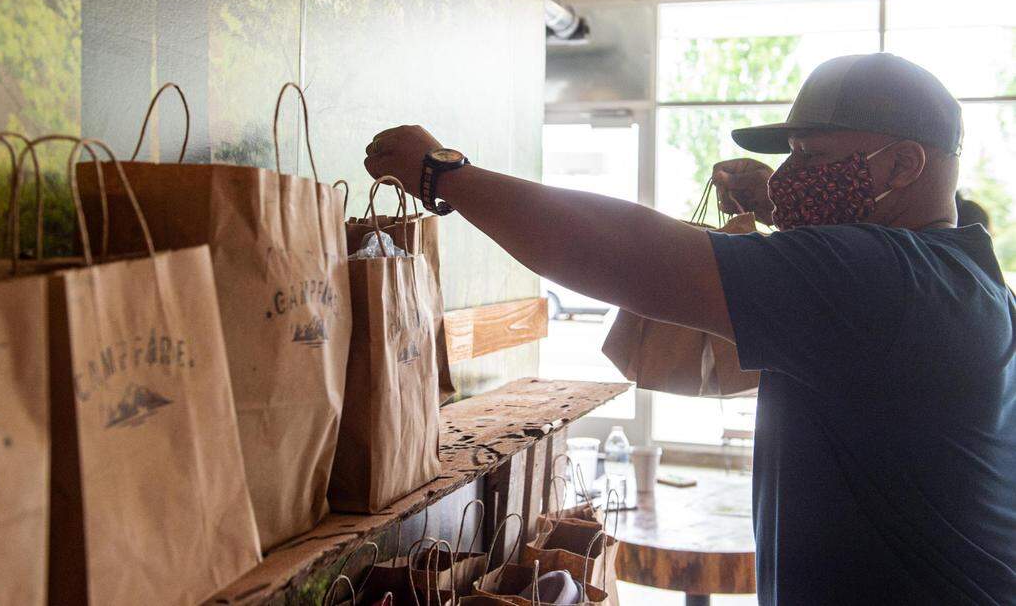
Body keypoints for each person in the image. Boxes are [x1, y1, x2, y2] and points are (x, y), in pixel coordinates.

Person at [364, 53, 1016, 605]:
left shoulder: (883, 282)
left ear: (903, 166)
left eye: (811, 157)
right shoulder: (956, 276)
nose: (789, 177)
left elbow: (628, 254)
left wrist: (444, 175)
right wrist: (778, 205)